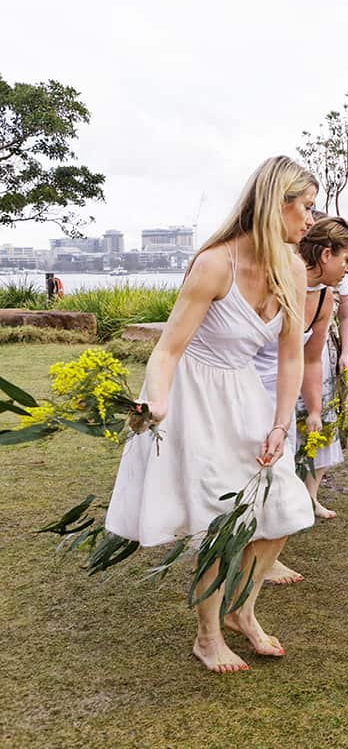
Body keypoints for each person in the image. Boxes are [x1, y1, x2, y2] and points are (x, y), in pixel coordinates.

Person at [105, 156, 318, 672]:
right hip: (194, 397)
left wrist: (280, 424)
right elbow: (168, 350)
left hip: (246, 394)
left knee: (285, 506)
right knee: (219, 523)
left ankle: (242, 609)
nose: (312, 220)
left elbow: (291, 354)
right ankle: (207, 635)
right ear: (277, 205)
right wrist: (156, 402)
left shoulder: (292, 268)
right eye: (306, 208)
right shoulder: (215, 264)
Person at [254, 216, 348, 586]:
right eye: (346, 260)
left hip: (283, 393)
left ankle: (264, 558)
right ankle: (248, 556)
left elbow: (311, 358)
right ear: (326, 253)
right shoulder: (277, 281)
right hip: (247, 388)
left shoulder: (325, 298)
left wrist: (314, 410)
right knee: (252, 472)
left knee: (280, 475)